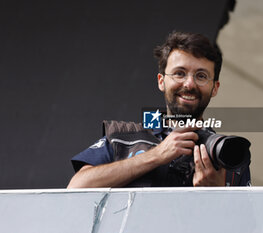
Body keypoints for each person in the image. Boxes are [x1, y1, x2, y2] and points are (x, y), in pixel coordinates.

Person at [67, 31, 251, 188]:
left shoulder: (229, 155)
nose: (189, 84)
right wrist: (157, 154)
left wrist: (218, 197)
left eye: (201, 76)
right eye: (179, 73)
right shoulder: (122, 136)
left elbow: (252, 226)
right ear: (161, 81)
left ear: (215, 88)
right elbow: (76, 187)